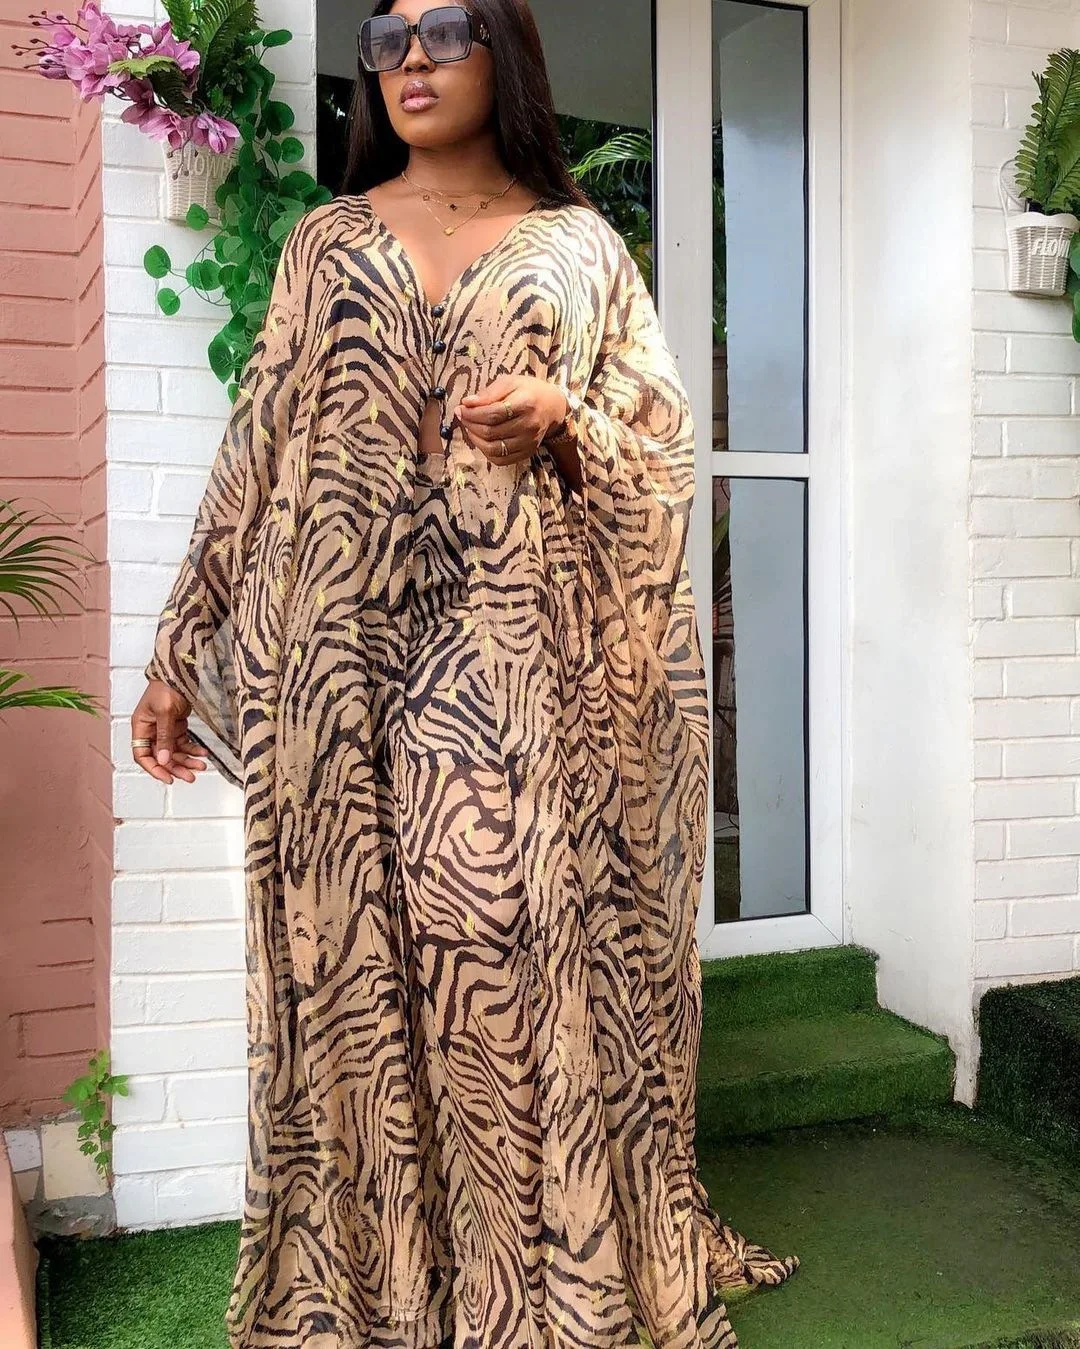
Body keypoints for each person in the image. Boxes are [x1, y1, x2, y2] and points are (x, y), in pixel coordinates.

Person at [128, 1, 799, 1345]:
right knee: (354, 961)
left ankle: (531, 1277)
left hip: (513, 665)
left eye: (442, 30)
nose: (411, 61)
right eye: (384, 43)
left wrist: (564, 419)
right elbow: (257, 445)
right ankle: (387, 1281)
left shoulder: (582, 247)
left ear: (506, 49)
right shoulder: (327, 241)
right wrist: (174, 653)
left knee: (499, 940)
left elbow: (664, 449)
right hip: (337, 663)